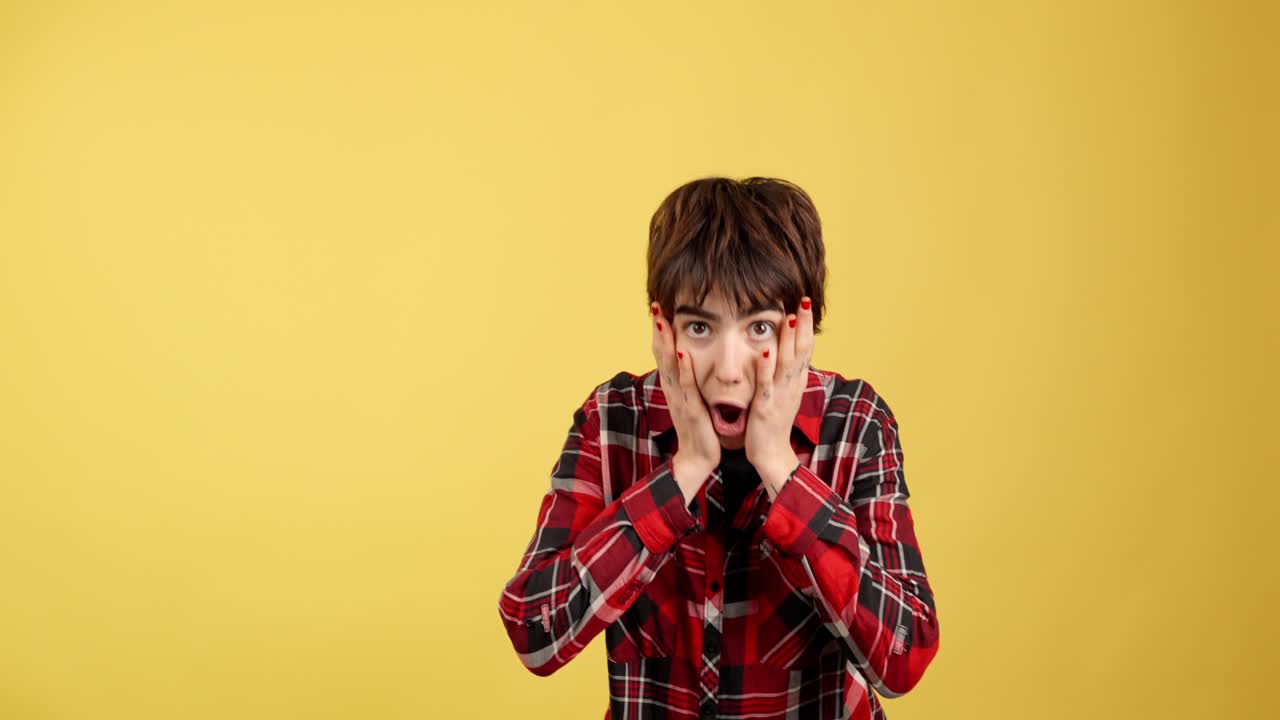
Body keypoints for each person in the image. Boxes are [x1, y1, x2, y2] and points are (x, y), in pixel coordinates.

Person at [498, 176, 940, 719]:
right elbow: (534, 632)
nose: (729, 372)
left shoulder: (853, 422)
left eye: (759, 328)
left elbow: (903, 656)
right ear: (664, 327)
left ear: (800, 328)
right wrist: (683, 472)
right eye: (701, 328)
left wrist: (781, 469)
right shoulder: (612, 420)